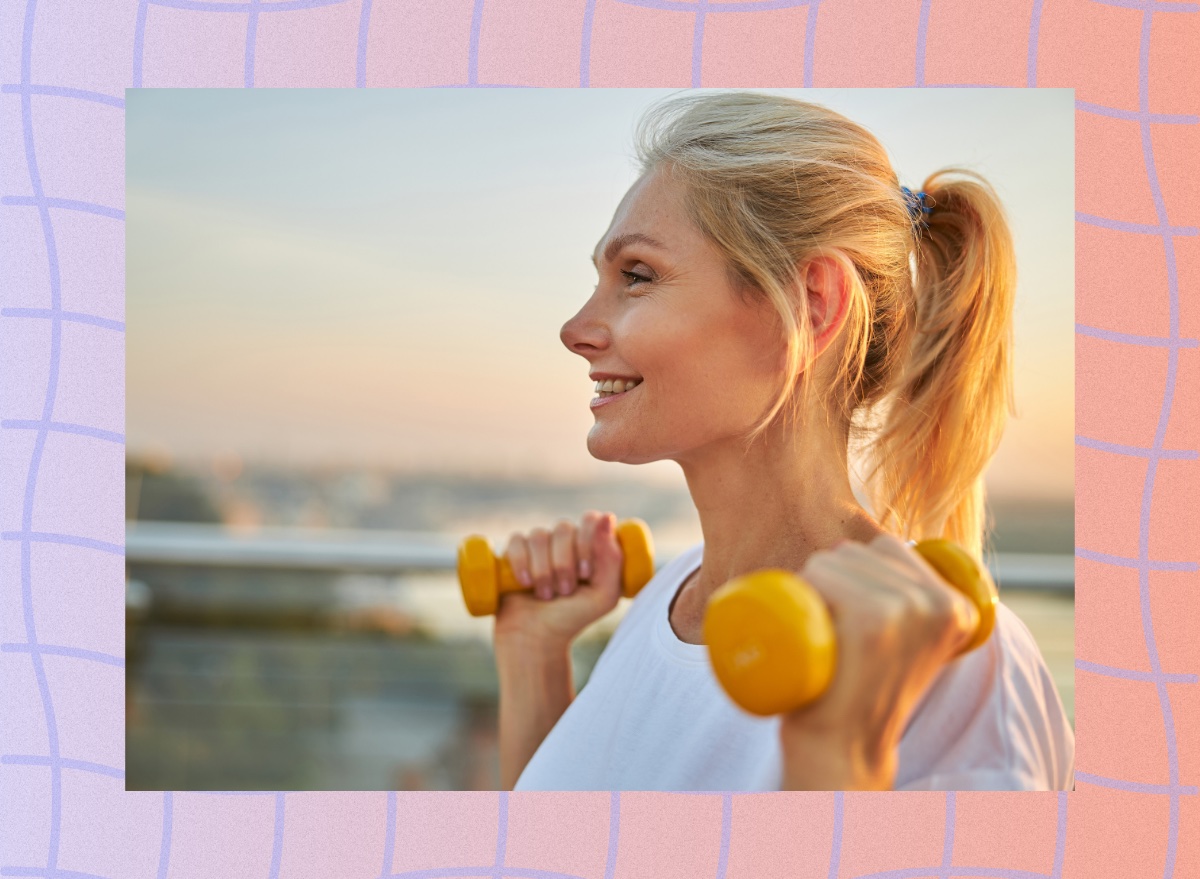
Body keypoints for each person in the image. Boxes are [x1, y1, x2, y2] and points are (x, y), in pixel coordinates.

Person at [492, 91, 1074, 791]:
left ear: (812, 305)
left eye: (636, 276)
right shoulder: (662, 606)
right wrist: (532, 656)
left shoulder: (955, 665)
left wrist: (838, 754)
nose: (576, 328)